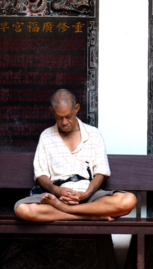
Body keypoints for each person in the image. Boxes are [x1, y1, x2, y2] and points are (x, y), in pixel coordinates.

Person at [14, 89, 137, 222]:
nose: (64, 122)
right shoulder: (46, 136)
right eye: (59, 117)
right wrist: (57, 191)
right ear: (52, 111)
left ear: (76, 108)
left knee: (129, 200)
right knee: (22, 209)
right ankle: (88, 215)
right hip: (57, 196)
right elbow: (41, 175)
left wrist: (86, 194)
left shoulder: (94, 134)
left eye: (68, 116)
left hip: (89, 195)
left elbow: (100, 173)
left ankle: (68, 211)